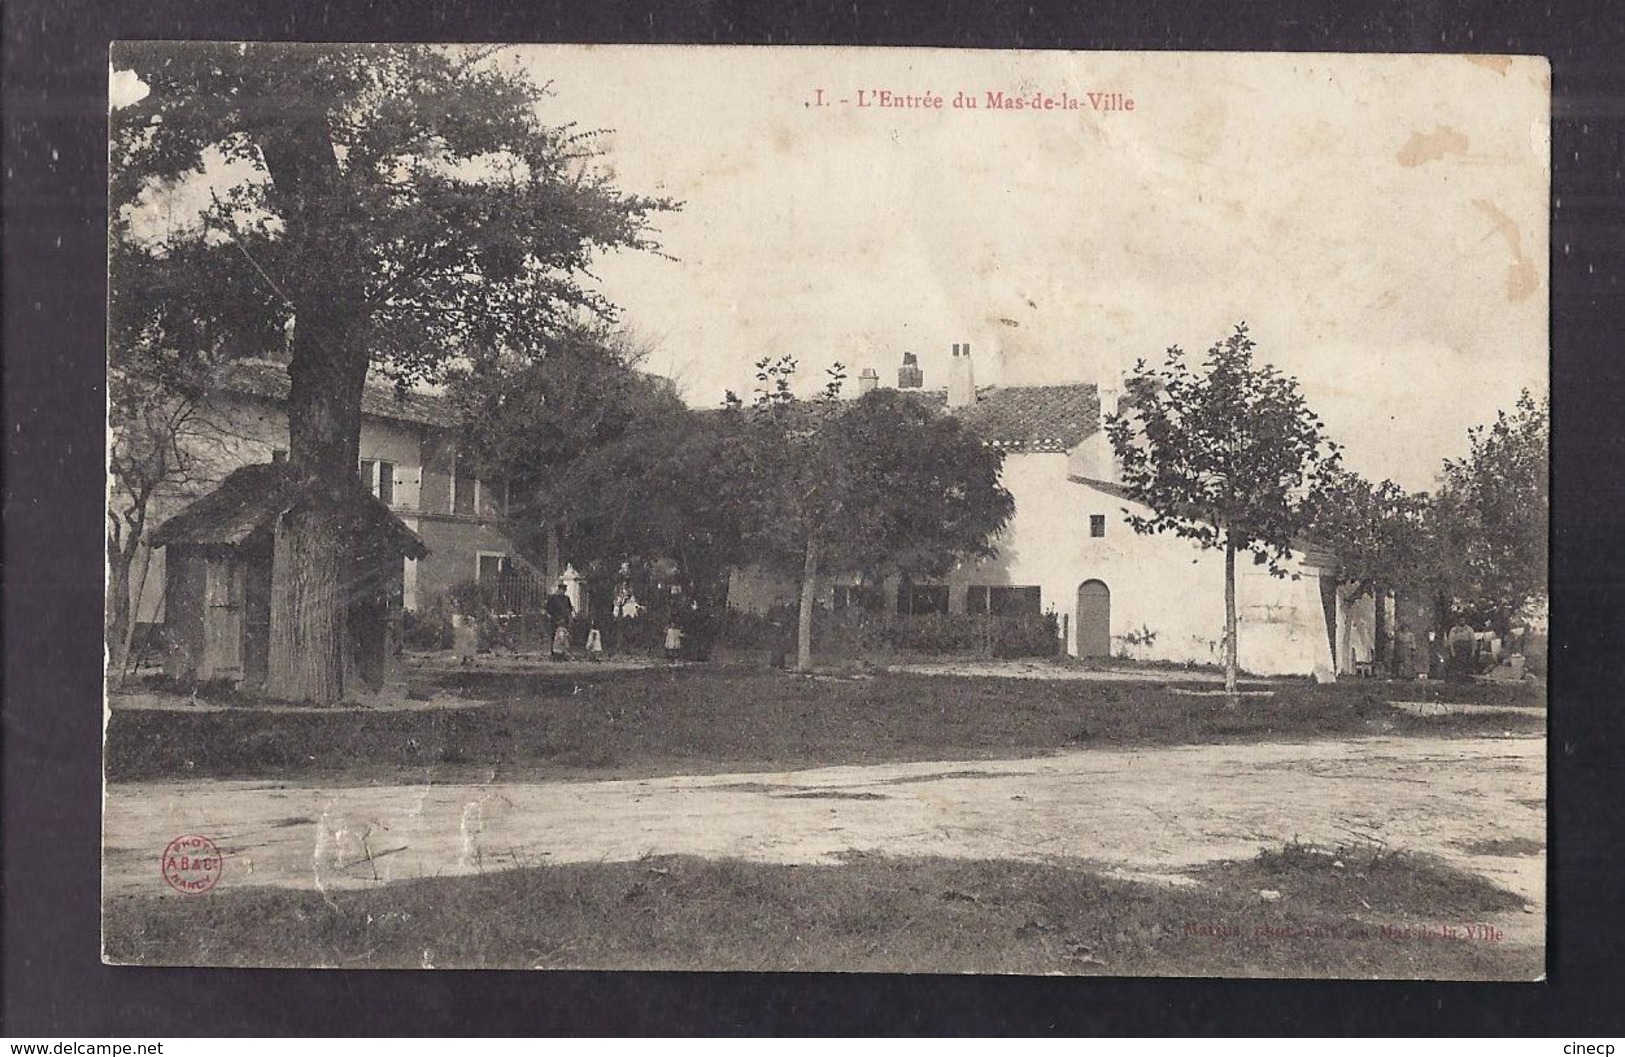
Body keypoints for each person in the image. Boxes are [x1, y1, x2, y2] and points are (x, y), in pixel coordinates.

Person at [545, 582, 574, 661]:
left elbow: (569, 609)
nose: (562, 591)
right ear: (558, 590)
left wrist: (569, 617)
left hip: (564, 619)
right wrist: (549, 615)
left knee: (563, 636)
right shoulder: (553, 598)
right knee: (554, 635)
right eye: (561, 590)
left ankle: (563, 652)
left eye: (564, 590)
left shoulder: (566, 598)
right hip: (555, 619)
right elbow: (548, 608)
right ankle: (554, 652)